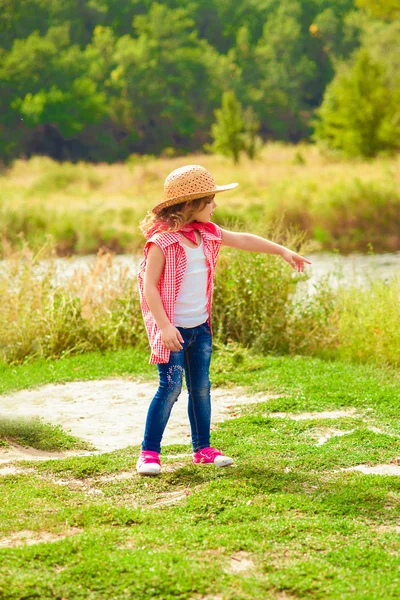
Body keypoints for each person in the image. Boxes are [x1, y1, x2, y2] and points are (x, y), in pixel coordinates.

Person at [136, 164, 311, 476]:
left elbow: (244, 239)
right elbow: (148, 286)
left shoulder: (209, 234)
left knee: (201, 388)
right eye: (210, 201)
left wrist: (283, 251)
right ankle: (149, 453)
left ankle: (202, 449)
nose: (215, 206)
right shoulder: (162, 243)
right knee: (171, 387)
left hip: (200, 328)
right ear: (191, 205)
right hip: (172, 330)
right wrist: (163, 326)